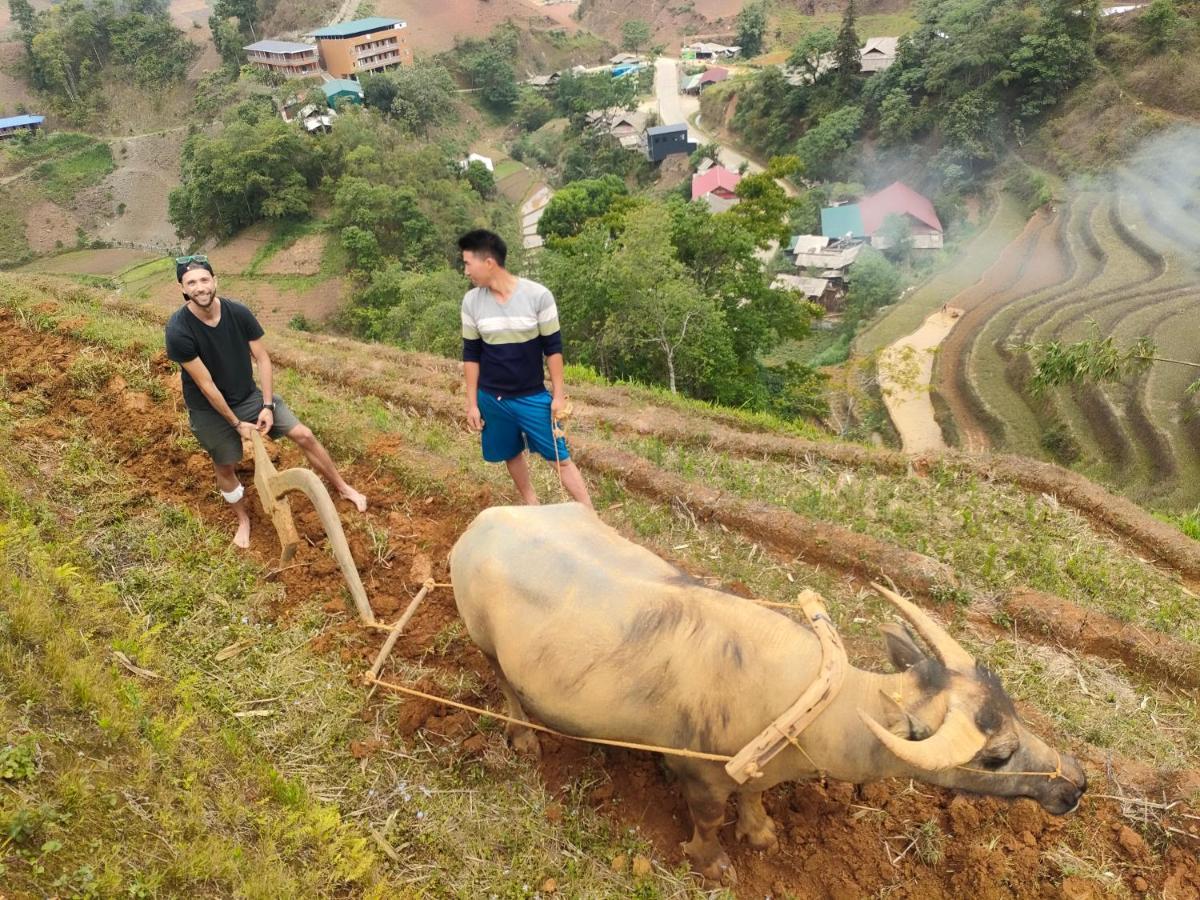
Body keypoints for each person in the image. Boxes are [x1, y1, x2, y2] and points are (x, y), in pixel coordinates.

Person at [164, 255, 366, 548]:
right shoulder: (178, 331)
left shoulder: (238, 312)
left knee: (304, 435)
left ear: (215, 281)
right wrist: (236, 424)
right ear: (183, 289)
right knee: (226, 466)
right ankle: (243, 519)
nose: (200, 287)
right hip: (210, 411)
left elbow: (262, 358)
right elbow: (206, 385)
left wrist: (268, 405)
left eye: (204, 280)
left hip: (248, 396)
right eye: (192, 283)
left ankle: (343, 487)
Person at [458, 230, 592, 508]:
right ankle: (532, 503)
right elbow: (471, 354)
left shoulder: (538, 296)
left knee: (560, 458)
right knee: (511, 453)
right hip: (492, 398)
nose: (465, 271)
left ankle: (590, 513)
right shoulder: (471, 302)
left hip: (532, 395)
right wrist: (471, 403)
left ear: (489, 262)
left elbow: (552, 348)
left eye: (468, 263)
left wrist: (558, 395)